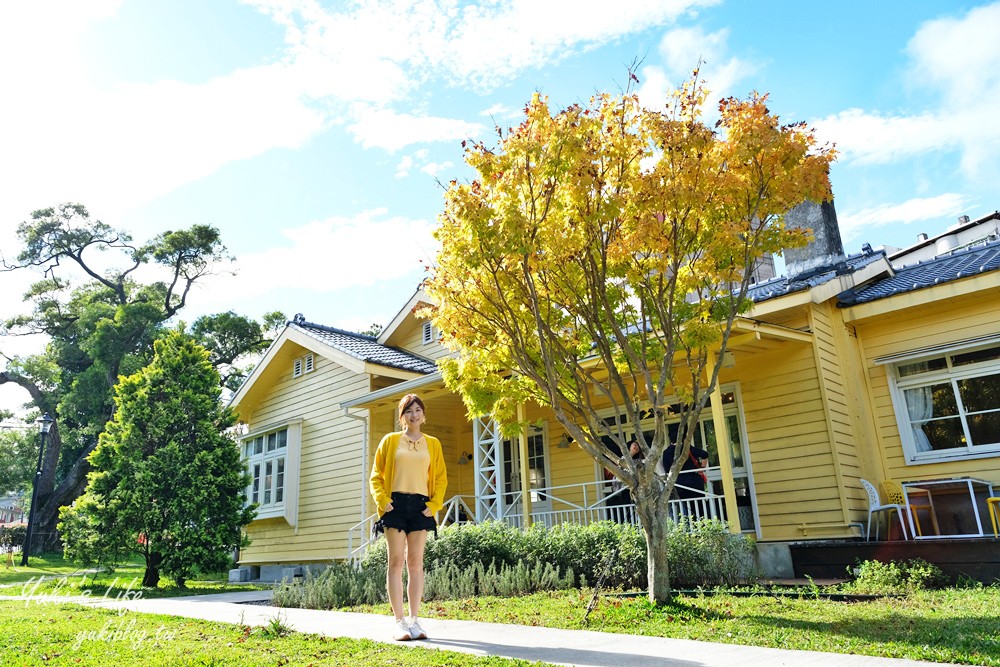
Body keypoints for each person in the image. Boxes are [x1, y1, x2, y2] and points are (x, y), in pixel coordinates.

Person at [369, 394, 447, 641]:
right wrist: (383, 501)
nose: (414, 415)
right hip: (395, 505)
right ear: (401, 416)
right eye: (408, 411)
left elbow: (441, 479)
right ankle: (399, 622)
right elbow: (376, 476)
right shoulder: (390, 441)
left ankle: (415, 620)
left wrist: (434, 505)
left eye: (417, 410)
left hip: (421, 507)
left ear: (424, 415)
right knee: (395, 562)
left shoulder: (433, 443)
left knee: (415, 563)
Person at [662, 441, 710, 516]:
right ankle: (702, 523)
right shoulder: (687, 448)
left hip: (679, 483)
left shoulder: (667, 452)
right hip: (694, 481)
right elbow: (704, 454)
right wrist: (702, 468)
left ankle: (690, 525)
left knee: (685, 507)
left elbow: (667, 470)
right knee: (700, 506)